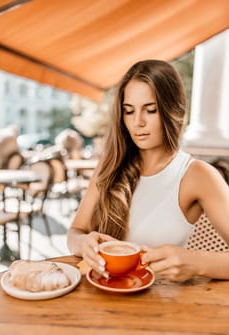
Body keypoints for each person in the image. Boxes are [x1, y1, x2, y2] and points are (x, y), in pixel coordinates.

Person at [67, 59, 229, 282]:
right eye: (129, 111)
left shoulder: (196, 174)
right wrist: (83, 244)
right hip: (101, 299)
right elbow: (75, 231)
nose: (138, 122)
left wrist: (196, 263)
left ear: (173, 110)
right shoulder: (109, 166)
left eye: (150, 110)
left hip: (161, 307)